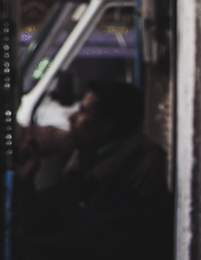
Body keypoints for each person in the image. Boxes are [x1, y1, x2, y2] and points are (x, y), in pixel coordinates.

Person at [14, 81, 173, 260]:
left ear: (106, 127)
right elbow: (46, 225)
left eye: (83, 111)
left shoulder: (134, 180)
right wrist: (25, 183)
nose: (71, 118)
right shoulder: (84, 164)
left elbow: (81, 247)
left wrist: (13, 247)